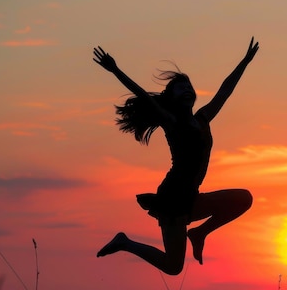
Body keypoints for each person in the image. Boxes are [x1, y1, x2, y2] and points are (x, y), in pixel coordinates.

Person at [93, 38, 259, 275]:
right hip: (173, 199)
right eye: (181, 87)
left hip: (191, 197)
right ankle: (125, 243)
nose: (188, 89)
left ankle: (200, 232)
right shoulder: (172, 122)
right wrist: (115, 70)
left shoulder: (203, 118)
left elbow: (225, 90)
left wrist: (245, 62)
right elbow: (144, 96)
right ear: (171, 98)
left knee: (244, 198)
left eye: (189, 86)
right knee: (173, 267)